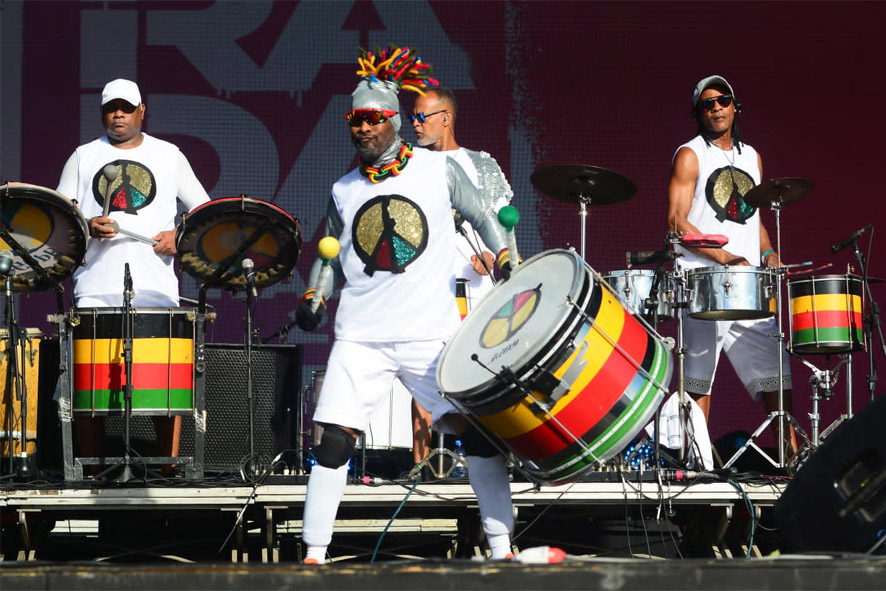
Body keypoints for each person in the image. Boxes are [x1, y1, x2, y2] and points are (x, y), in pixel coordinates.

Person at [295, 46, 517, 564]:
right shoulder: (344, 189)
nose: (363, 129)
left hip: (429, 333)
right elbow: (328, 254)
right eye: (355, 120)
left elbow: (483, 216)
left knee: (479, 435)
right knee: (332, 445)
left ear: (393, 121)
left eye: (372, 119)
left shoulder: (438, 170)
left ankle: (503, 547)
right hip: (360, 336)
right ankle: (312, 557)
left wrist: (505, 255)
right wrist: (315, 296)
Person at [56, 78, 211, 473]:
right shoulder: (83, 155)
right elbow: (60, 216)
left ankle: (169, 468)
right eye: (111, 109)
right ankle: (90, 469)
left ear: (143, 110)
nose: (118, 115)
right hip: (95, 289)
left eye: (126, 108)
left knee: (165, 385)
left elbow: (205, 211)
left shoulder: (169, 155)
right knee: (91, 386)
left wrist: (180, 235)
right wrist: (87, 224)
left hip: (155, 290)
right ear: (102, 113)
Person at [666, 75, 797, 458]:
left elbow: (750, 219)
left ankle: (790, 464)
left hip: (747, 284)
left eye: (723, 100)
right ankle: (695, 466)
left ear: (735, 106)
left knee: (777, 377)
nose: (717, 107)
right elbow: (676, 220)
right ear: (698, 113)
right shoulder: (690, 154)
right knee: (697, 386)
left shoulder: (752, 157)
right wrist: (723, 256)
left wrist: (769, 253)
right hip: (703, 282)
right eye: (707, 104)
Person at [409, 86, 513, 466]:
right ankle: (422, 466)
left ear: (446, 118)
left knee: (482, 375)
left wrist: (498, 256)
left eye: (423, 117)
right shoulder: (407, 168)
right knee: (423, 374)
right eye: (413, 117)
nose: (415, 124)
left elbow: (503, 222)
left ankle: (487, 461)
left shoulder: (480, 164)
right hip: (428, 289)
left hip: (478, 290)